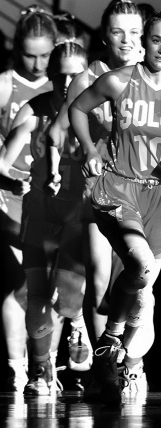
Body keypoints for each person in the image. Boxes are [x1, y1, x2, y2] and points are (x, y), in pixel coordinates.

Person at [69, 10, 161, 404]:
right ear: (145, 41)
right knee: (140, 266)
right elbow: (77, 109)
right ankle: (113, 343)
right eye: (157, 40)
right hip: (119, 187)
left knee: (143, 288)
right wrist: (88, 149)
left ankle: (111, 351)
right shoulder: (120, 80)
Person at [50, 0, 145, 388]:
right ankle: (107, 368)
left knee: (140, 279)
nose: (125, 40)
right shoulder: (88, 78)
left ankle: (133, 360)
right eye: (117, 31)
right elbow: (57, 130)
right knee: (102, 278)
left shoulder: (151, 76)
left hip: (143, 191)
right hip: (99, 189)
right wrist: (84, 150)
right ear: (103, 34)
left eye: (134, 32)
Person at [0, 41, 88, 395]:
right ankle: (40, 369)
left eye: (75, 76)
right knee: (33, 296)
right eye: (59, 76)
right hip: (38, 213)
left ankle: (78, 321)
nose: (67, 84)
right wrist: (9, 180)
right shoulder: (33, 110)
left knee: (65, 296)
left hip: (78, 216)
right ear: (49, 76)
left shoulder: (98, 111)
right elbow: (5, 160)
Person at [0, 6, 56, 392]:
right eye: (29, 54)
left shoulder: (67, 82)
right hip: (12, 193)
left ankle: (49, 363)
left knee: (58, 286)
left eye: (44, 54)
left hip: (55, 195)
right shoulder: (5, 85)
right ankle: (16, 367)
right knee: (20, 284)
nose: (37, 64)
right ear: (16, 49)